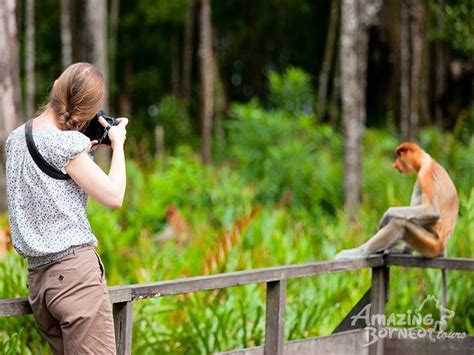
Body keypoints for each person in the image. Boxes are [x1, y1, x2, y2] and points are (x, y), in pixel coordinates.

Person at [5, 62, 128, 354]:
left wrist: (87, 150)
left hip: (40, 285)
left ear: (57, 85)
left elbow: (49, 185)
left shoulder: (14, 140)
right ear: (88, 111)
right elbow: (114, 197)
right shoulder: (65, 144)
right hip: (75, 279)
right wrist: (119, 144)